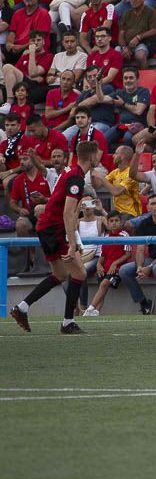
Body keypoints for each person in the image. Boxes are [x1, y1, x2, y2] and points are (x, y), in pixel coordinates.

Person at [9, 140, 99, 334]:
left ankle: (22, 308)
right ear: (92, 156)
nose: (99, 156)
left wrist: (75, 238)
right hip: (54, 228)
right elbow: (67, 213)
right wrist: (73, 243)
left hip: (46, 227)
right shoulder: (76, 178)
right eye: (98, 153)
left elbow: (68, 210)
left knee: (60, 274)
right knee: (80, 274)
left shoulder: (71, 172)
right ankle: (67, 322)